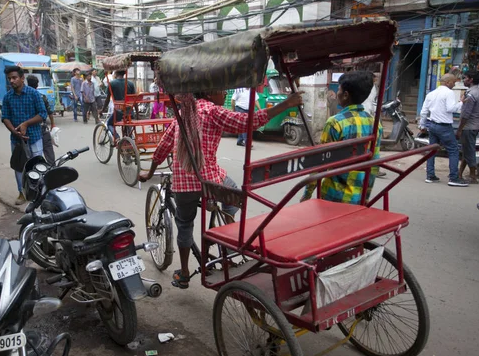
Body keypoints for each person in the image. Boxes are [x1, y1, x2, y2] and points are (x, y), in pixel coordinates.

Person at [139, 89, 303, 289]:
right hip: (210, 181)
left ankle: (184, 273)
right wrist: (285, 105)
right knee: (232, 194)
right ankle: (228, 230)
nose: (224, 94)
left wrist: (149, 172)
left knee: (184, 224)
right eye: (221, 91)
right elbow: (248, 121)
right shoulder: (212, 112)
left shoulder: (182, 114)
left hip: (183, 183)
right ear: (209, 93)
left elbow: (162, 148)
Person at [302, 71, 382, 204]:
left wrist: (307, 193)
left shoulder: (335, 122)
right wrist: (366, 196)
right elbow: (374, 163)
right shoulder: (375, 123)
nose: (337, 93)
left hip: (333, 196)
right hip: (359, 197)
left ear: (345, 95)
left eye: (339, 89)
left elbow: (320, 164)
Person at [1, 66, 47, 205]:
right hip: (16, 139)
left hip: (34, 137)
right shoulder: (7, 97)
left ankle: (39, 192)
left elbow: (42, 114)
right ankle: (22, 192)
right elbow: (5, 117)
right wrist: (14, 131)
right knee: (19, 167)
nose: (12, 81)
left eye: (14, 78)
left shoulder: (33, 94)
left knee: (37, 166)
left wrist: (26, 124)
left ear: (22, 78)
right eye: (9, 78)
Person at [419, 73, 467, 187]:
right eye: (453, 82)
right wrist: (461, 103)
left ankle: (430, 175)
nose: (454, 84)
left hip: (432, 124)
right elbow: (451, 108)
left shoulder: (431, 93)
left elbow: (424, 111)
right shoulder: (448, 92)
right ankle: (454, 177)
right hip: (444, 126)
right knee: (453, 150)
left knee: (432, 150)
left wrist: (422, 125)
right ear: (448, 82)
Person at [457, 70, 479, 184]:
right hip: (474, 125)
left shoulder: (471, 94)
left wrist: (459, 129)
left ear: (471, 80)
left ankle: (473, 175)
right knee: (467, 150)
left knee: (469, 151)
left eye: (465, 78)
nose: (464, 80)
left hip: (469, 126)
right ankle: (460, 173)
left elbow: (465, 114)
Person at [27, 75, 56, 166]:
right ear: (37, 85)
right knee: (48, 150)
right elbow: (49, 112)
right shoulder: (41, 96)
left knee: (32, 153)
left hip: (30, 129)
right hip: (42, 127)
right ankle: (52, 168)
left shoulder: (25, 97)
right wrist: (52, 124)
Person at [102, 70, 136, 142]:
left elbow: (107, 99)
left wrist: (102, 110)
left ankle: (117, 138)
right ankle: (130, 136)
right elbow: (135, 99)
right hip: (130, 112)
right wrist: (137, 114)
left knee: (109, 124)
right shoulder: (130, 83)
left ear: (116, 73)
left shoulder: (112, 83)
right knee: (128, 123)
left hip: (119, 112)